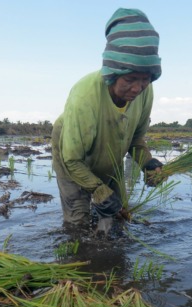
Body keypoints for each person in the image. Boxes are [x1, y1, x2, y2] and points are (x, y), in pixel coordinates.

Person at [51, 8, 164, 232]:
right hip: (72, 156)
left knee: (117, 216)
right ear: (113, 72)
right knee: (77, 223)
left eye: (145, 80)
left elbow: (136, 140)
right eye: (130, 79)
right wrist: (98, 190)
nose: (137, 88)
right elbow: (72, 160)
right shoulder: (85, 96)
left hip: (109, 156)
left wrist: (148, 163)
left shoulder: (145, 92)